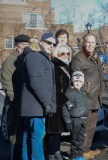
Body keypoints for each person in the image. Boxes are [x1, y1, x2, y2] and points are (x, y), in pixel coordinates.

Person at [20, 32, 57, 160]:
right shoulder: (35, 57)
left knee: (30, 136)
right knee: (37, 136)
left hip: (35, 105)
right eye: (49, 42)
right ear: (41, 42)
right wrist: (47, 102)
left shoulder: (39, 56)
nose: (51, 46)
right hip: (37, 105)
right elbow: (36, 81)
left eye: (54, 44)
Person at [70, 34, 105, 159]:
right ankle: (78, 153)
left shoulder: (95, 57)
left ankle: (86, 150)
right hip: (85, 99)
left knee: (91, 127)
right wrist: (87, 90)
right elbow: (76, 79)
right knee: (82, 129)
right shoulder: (78, 58)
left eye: (93, 42)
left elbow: (100, 76)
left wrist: (102, 90)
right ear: (83, 43)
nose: (91, 45)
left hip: (95, 98)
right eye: (88, 42)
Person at [1, 34, 30, 160]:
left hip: (26, 103)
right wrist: (14, 97)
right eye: (23, 45)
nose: (25, 48)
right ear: (16, 45)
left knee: (25, 135)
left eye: (27, 45)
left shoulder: (27, 59)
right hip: (14, 103)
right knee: (15, 136)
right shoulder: (10, 60)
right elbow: (6, 81)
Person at [45, 44, 72, 160]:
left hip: (63, 103)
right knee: (54, 131)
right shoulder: (54, 66)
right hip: (56, 103)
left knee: (59, 131)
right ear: (56, 54)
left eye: (67, 53)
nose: (65, 55)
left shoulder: (67, 66)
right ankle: (51, 153)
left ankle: (56, 151)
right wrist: (66, 101)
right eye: (62, 53)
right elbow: (54, 88)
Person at [62, 71, 89, 160]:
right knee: (75, 139)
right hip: (75, 120)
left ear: (82, 82)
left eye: (80, 81)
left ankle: (80, 155)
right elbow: (65, 109)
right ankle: (74, 156)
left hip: (83, 119)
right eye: (76, 81)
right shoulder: (69, 94)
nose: (78, 83)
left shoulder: (83, 93)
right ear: (72, 81)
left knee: (81, 139)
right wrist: (68, 122)